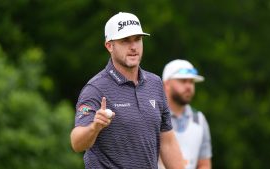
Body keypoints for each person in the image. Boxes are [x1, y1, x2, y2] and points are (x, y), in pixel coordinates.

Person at [70, 12, 185, 169]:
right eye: (125, 41)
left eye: (137, 39)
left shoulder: (155, 83)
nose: (133, 47)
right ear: (109, 45)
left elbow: (167, 141)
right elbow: (77, 142)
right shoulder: (95, 88)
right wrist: (94, 127)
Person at [161, 59, 212, 169]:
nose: (189, 87)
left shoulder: (199, 120)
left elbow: (204, 164)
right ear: (167, 84)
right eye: (183, 81)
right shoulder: (154, 116)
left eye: (191, 81)